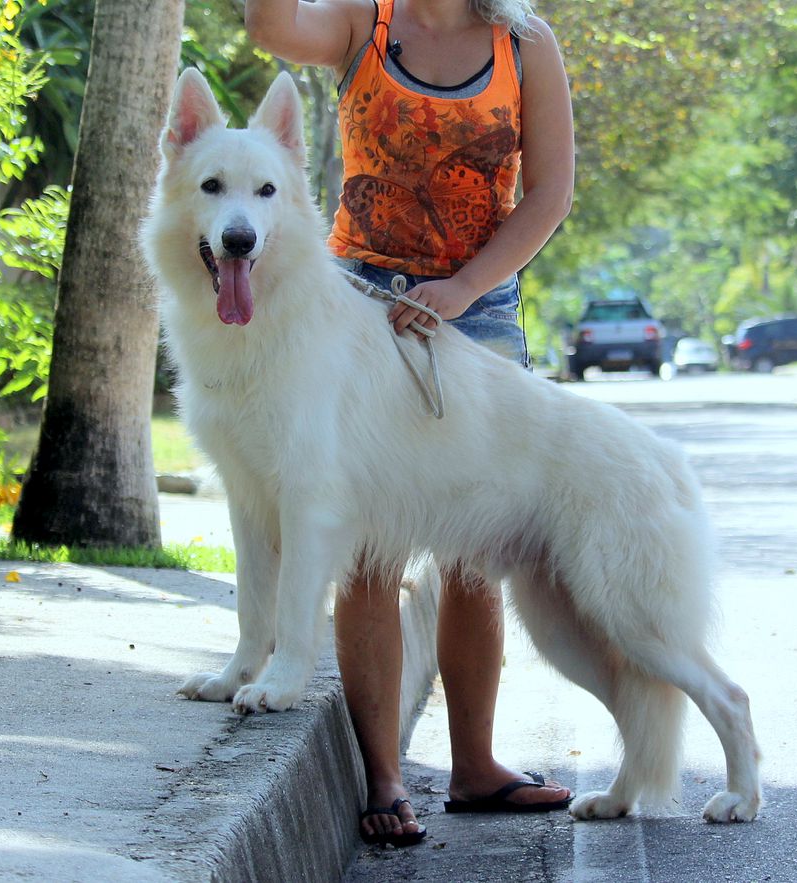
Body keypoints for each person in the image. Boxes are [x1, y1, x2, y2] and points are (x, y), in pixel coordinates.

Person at [244, 0, 576, 847]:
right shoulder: (364, 22)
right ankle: (384, 776)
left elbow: (550, 192)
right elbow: (269, 27)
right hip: (355, 308)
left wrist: (463, 289)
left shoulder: (525, 43)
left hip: (480, 312)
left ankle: (476, 768)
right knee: (367, 550)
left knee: (476, 553)